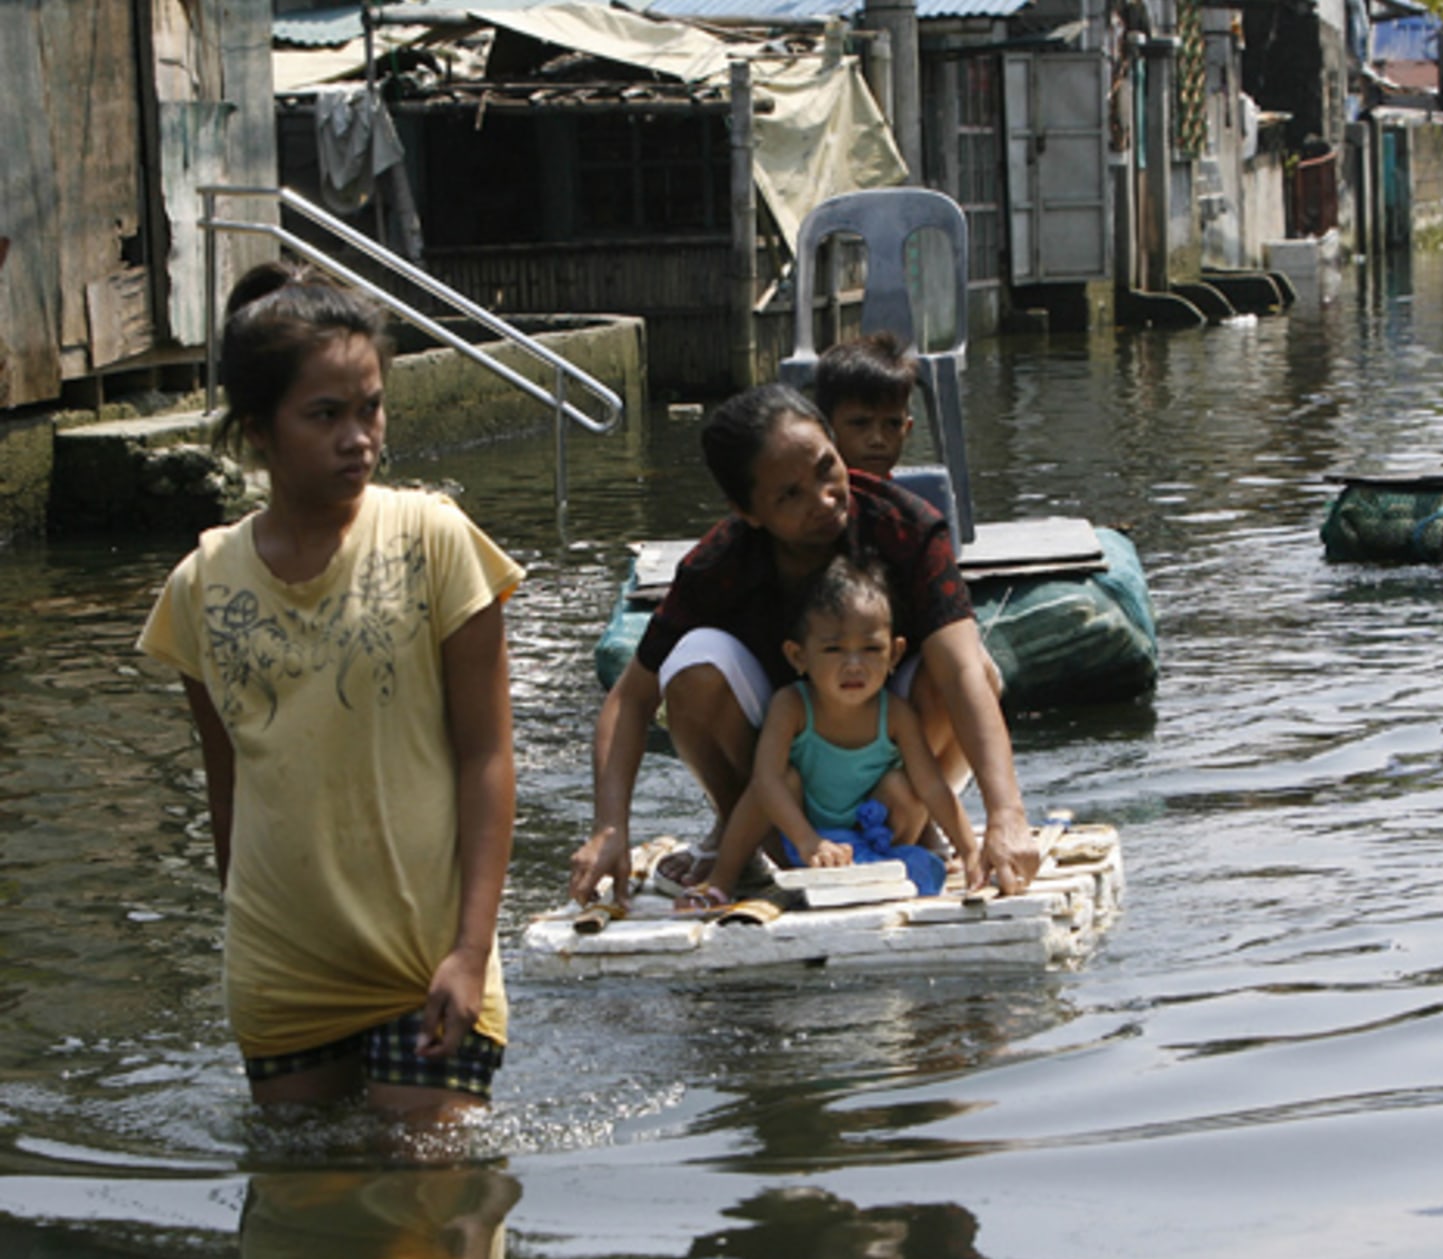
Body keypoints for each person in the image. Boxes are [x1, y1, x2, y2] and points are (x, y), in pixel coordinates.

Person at [138, 261, 520, 1117]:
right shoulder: (203, 586)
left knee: (434, 1211)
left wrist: (470, 948)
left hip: (427, 954)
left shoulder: (435, 540)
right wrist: (245, 940)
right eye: (326, 416)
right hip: (285, 967)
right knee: (306, 1217)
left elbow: (487, 757)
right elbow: (228, 784)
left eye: (371, 408)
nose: (360, 437)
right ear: (258, 432)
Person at [568, 383, 1039, 910]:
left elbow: (962, 675)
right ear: (748, 511)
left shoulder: (906, 527)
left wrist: (1006, 814)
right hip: (779, 772)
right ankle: (744, 836)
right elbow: (631, 698)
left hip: (893, 763)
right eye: (789, 495)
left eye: (826, 468)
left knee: (967, 662)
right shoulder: (718, 564)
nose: (823, 499)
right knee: (692, 667)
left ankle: (916, 824)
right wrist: (610, 825)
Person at [682, 554, 982, 908]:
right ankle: (721, 881)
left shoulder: (896, 715)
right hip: (801, 837)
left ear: (894, 653)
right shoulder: (792, 706)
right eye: (833, 649)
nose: (854, 665)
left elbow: (931, 785)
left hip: (876, 835)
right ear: (798, 657)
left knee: (904, 785)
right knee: (776, 782)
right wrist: (808, 841)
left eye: (871, 649)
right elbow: (767, 781)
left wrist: (970, 850)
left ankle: (879, 867)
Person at [812, 331, 917, 478]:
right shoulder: (820, 498)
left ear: (907, 429)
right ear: (824, 427)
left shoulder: (893, 497)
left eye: (893, 424)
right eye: (860, 423)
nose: (877, 440)